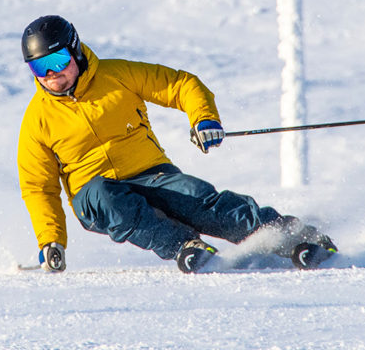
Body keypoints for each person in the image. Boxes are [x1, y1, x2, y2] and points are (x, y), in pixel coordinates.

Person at [17, 15, 336, 273]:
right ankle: (185, 245)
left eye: (57, 60)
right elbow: (38, 187)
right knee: (109, 197)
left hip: (150, 173)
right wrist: (50, 241)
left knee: (199, 201)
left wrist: (203, 119)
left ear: (75, 51)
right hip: (94, 195)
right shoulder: (37, 119)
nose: (52, 75)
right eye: (39, 68)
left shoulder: (118, 75)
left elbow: (180, 84)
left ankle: (294, 237)